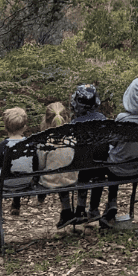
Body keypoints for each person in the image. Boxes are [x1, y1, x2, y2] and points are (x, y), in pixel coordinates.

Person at [100, 77, 138, 227]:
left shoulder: (123, 118)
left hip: (116, 169)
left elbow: (113, 142)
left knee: (113, 158)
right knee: (118, 158)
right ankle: (113, 205)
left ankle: (112, 202)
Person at [50, 83, 106, 228]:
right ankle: (88, 210)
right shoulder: (103, 120)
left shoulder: (74, 124)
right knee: (94, 170)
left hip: (80, 171)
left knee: (80, 169)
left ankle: (71, 210)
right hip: (102, 168)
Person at [0, 106, 34, 215]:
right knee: (18, 169)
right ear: (24, 127)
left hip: (6, 183)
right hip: (26, 181)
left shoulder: (4, 145)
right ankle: (16, 204)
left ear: (6, 128)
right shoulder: (30, 143)